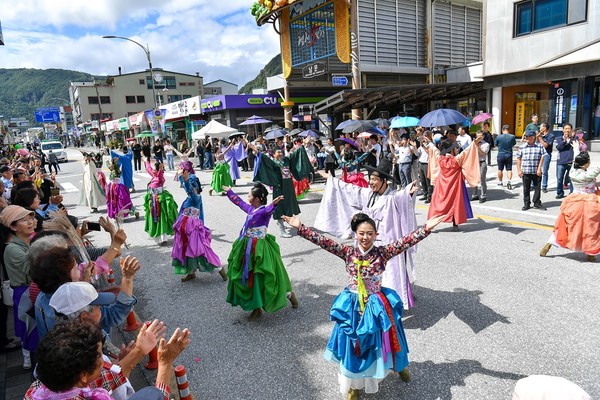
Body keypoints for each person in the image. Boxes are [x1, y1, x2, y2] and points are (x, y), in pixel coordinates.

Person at [284, 212, 444, 399]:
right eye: (361, 233)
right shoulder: (348, 252)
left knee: (387, 339)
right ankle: (354, 385)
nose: (365, 237)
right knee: (353, 344)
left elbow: (405, 241)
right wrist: (301, 227)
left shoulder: (383, 253)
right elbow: (324, 241)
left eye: (369, 233)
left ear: (376, 234)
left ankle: (398, 366)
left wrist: (425, 229)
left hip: (376, 305)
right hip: (352, 306)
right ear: (355, 234)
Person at [315, 158, 420, 310]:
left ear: (384, 181)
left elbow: (401, 197)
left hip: (387, 244)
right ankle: (371, 303)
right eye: (370, 178)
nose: (371, 182)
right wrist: (332, 180)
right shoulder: (368, 194)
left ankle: (392, 304)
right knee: (368, 274)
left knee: (390, 275)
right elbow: (349, 190)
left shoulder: (392, 197)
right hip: (368, 242)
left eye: (375, 179)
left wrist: (408, 193)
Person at [24, 317, 191, 400]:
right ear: (83, 375)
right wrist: (165, 363)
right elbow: (158, 396)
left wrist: (139, 351)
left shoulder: (38, 388)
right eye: (99, 355)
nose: (104, 359)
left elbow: (102, 379)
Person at [222, 183, 297, 320]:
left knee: (262, 276)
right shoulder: (251, 209)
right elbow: (238, 202)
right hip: (246, 245)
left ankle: (290, 296)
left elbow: (268, 210)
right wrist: (229, 192)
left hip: (259, 248)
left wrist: (273, 204)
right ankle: (256, 307)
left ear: (257, 199)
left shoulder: (263, 211)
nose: (248, 197)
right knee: (250, 276)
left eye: (250, 195)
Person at [540, 152, 599, 261]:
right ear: (585, 164)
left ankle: (548, 245)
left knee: (564, 226)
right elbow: (596, 171)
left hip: (573, 201)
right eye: (588, 161)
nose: (590, 162)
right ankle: (590, 253)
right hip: (588, 203)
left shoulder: (573, 172)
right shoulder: (586, 175)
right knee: (591, 228)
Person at [172, 161, 225, 282]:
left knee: (201, 250)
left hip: (194, 230)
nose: (189, 188)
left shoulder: (196, 198)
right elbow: (187, 188)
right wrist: (182, 177)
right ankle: (191, 272)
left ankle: (221, 270)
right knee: (186, 249)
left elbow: (190, 190)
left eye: (192, 186)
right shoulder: (189, 198)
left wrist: (186, 180)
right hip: (185, 228)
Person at [0, 205, 37, 369]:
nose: (30, 222)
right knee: (29, 329)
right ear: (13, 227)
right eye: (24, 220)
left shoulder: (26, 243)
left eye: (30, 218)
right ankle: (30, 360)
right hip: (24, 293)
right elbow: (35, 269)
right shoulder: (12, 249)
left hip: (29, 291)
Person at [253, 145, 313, 238]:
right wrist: (255, 150)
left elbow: (295, 154)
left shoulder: (286, 160)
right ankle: (281, 229)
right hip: (279, 187)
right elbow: (263, 158)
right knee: (280, 205)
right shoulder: (273, 162)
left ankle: (286, 221)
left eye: (281, 152)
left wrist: (303, 146)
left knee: (288, 204)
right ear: (274, 154)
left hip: (288, 186)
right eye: (278, 152)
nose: (280, 154)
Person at [427, 138, 481, 230]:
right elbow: (467, 152)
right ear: (451, 149)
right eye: (454, 148)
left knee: (439, 203)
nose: (456, 149)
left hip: (442, 185)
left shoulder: (440, 159)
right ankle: (455, 224)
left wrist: (430, 143)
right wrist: (473, 143)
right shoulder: (456, 160)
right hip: (454, 186)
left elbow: (435, 150)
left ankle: (431, 223)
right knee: (455, 203)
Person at [144, 157, 178, 244]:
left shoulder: (159, 177)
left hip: (160, 200)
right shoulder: (153, 176)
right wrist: (146, 161)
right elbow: (149, 169)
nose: (153, 171)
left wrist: (161, 168)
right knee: (154, 217)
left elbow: (159, 174)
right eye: (154, 170)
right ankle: (158, 236)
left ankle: (163, 238)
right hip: (153, 199)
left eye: (155, 170)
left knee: (162, 217)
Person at [516, 130, 546, 211]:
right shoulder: (522, 147)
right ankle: (526, 203)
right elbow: (518, 158)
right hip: (526, 171)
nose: (526, 138)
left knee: (537, 188)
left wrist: (539, 168)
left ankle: (536, 202)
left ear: (533, 137)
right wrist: (519, 170)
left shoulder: (539, 146)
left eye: (528, 137)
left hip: (536, 171)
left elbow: (543, 157)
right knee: (526, 188)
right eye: (525, 137)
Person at [470, 131, 491, 203]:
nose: (478, 138)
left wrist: (477, 146)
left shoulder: (486, 144)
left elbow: (482, 153)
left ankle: (483, 195)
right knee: (474, 178)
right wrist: (474, 144)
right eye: (477, 136)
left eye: (480, 136)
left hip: (482, 162)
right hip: (474, 162)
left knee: (482, 179)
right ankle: (474, 194)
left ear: (483, 137)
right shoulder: (473, 144)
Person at [555, 123, 574, 199]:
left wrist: (571, 138)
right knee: (559, 178)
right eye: (566, 129)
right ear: (563, 130)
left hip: (571, 160)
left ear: (571, 130)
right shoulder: (559, 138)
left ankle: (572, 193)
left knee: (572, 178)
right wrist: (564, 140)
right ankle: (560, 192)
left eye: (569, 128)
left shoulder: (574, 138)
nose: (567, 130)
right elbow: (559, 148)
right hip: (561, 161)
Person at [496, 124, 517, 190]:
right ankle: (509, 181)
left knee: (500, 169)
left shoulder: (499, 137)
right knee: (509, 169)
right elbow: (514, 144)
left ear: (502, 130)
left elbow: (496, 144)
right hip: (509, 154)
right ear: (509, 130)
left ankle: (500, 182)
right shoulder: (512, 136)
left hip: (501, 153)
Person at [536, 123, 554, 193]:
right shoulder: (539, 135)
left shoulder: (551, 136)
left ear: (545, 128)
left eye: (541, 127)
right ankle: (533, 185)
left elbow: (546, 145)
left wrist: (540, 138)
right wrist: (536, 137)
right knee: (536, 170)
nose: (540, 128)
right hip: (538, 154)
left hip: (546, 154)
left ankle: (544, 186)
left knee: (544, 171)